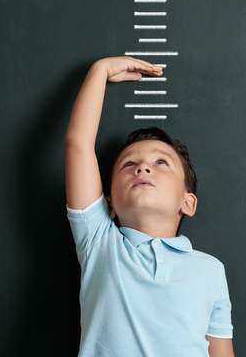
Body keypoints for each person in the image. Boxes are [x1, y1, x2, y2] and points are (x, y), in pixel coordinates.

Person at [65, 57, 235, 357]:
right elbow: (78, 143)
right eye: (129, 164)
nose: (142, 168)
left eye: (161, 163)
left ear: (188, 202)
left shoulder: (211, 270)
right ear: (109, 205)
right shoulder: (100, 243)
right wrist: (99, 71)